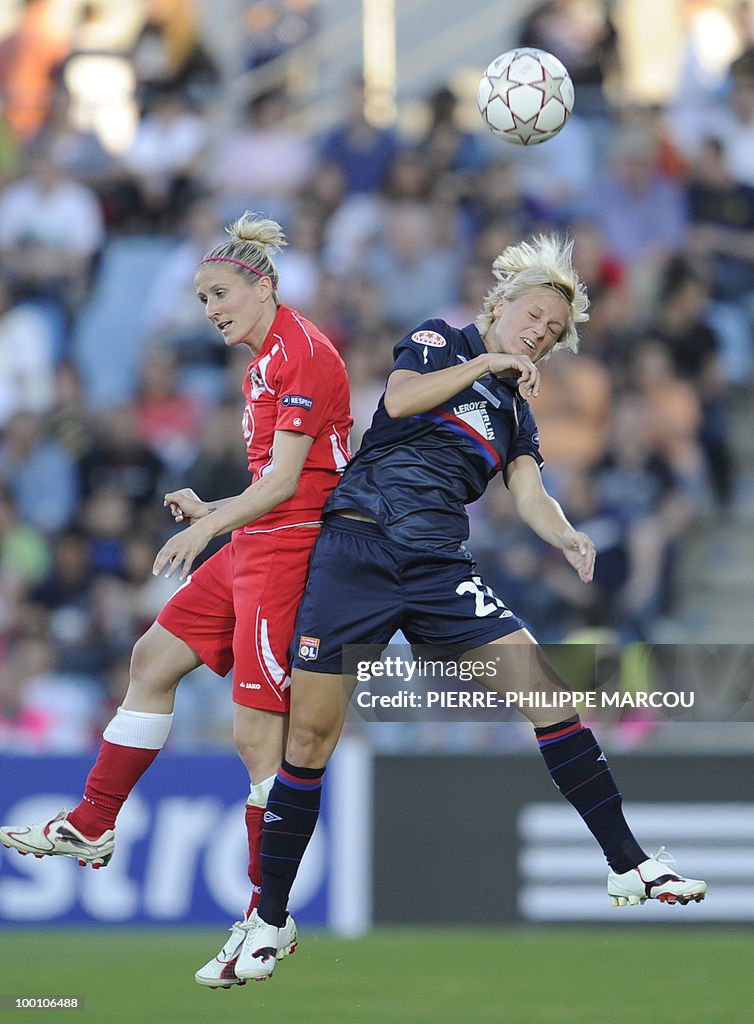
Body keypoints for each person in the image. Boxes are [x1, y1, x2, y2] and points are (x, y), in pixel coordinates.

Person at [229, 233, 707, 981]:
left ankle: (629, 865)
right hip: (356, 551)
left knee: (547, 695)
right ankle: (269, 920)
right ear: (501, 303)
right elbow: (400, 399)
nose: (540, 334)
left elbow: (527, 492)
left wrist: (567, 535)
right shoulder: (437, 341)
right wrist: (486, 362)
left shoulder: (516, 413)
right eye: (536, 316)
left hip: (436, 567)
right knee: (312, 741)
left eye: (553, 332)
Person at [0, 212, 352, 988]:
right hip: (254, 539)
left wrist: (208, 530)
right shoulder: (264, 360)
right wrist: (217, 513)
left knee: (259, 741)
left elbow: (291, 487)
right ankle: (91, 825)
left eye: (219, 294)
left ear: (261, 286)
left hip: (288, 553)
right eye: (201, 300)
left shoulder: (302, 354)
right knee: (151, 657)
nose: (211, 310)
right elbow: (276, 479)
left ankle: (269, 918)